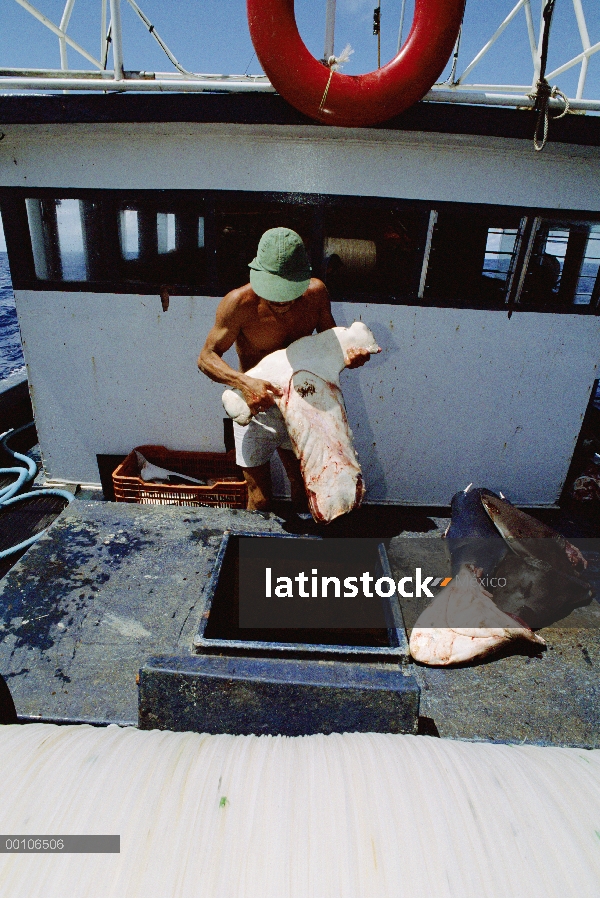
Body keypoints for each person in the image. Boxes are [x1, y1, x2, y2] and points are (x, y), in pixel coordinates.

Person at [198, 227, 371, 511]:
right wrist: (244, 383)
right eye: (273, 293)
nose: (281, 302)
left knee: (306, 489)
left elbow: (330, 344)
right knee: (260, 500)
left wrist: (350, 357)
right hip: (257, 408)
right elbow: (206, 357)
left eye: (289, 293)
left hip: (303, 404)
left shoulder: (317, 294)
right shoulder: (238, 303)